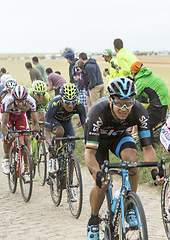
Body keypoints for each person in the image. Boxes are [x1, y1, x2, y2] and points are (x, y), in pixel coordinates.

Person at [84, 77, 164, 239]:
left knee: (132, 158)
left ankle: (129, 205)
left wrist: (154, 171)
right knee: (103, 183)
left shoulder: (139, 111)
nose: (124, 108)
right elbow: (89, 154)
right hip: (97, 143)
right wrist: (98, 172)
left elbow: (147, 147)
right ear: (110, 100)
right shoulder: (97, 112)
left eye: (129, 102)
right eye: (119, 103)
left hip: (119, 137)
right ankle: (93, 219)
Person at [44, 83, 86, 175]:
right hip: (54, 120)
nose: (70, 105)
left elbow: (85, 126)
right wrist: (50, 144)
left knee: (71, 149)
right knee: (59, 131)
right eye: (67, 102)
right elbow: (46, 131)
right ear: (61, 99)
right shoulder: (54, 103)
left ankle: (70, 185)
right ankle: (53, 156)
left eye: (73, 101)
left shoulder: (79, 105)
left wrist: (88, 139)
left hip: (67, 121)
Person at [1, 85, 40, 175]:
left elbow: (34, 122)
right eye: (17, 101)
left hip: (20, 116)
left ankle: (26, 168)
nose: (20, 103)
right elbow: (3, 123)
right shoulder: (7, 101)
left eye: (22, 101)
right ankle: (6, 158)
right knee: (10, 137)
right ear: (13, 98)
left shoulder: (31, 101)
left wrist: (36, 133)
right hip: (8, 117)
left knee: (26, 138)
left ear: (26, 99)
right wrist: (5, 135)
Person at [131, 61, 170, 143]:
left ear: (134, 72)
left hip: (158, 105)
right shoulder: (148, 76)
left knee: (144, 125)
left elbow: (133, 95)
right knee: (147, 123)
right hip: (163, 103)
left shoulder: (140, 81)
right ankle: (152, 142)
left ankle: (148, 146)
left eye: (131, 73)